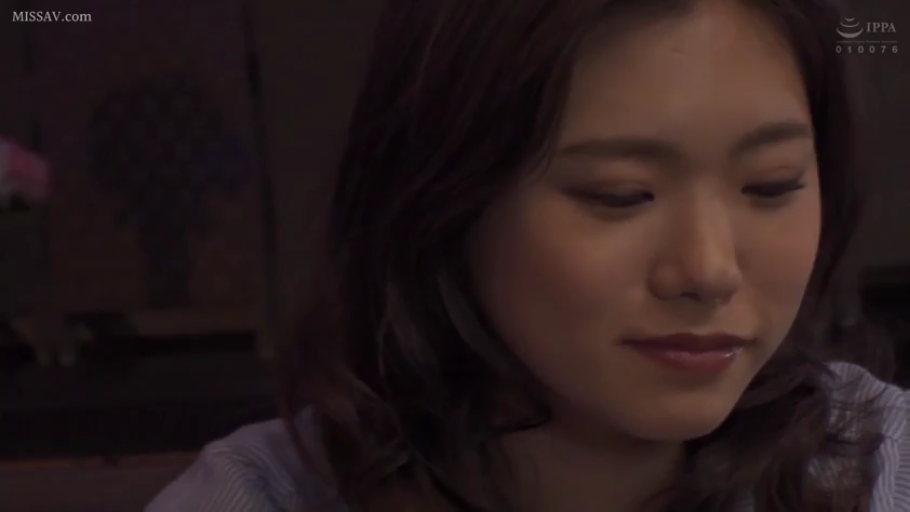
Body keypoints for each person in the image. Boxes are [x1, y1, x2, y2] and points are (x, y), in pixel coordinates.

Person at [147, 0, 910, 510]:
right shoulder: (257, 498)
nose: (709, 270)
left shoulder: (883, 469)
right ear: (444, 198)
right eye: (620, 194)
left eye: (772, 185)